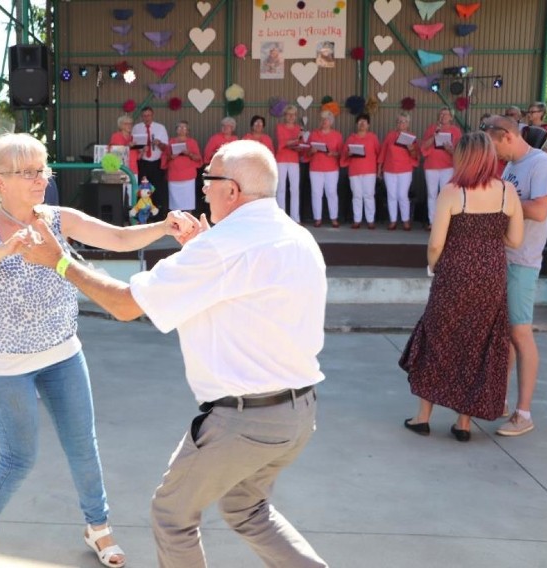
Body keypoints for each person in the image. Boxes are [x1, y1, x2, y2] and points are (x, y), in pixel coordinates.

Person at [21, 139, 328, 568]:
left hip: (245, 419)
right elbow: (240, 290)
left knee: (173, 515)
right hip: (298, 413)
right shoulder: (295, 236)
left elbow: (127, 305)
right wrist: (199, 249)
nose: (202, 190)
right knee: (247, 510)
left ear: (233, 191)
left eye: (208, 180)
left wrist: (59, 262)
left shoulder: (220, 249)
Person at [0, 132, 198, 568]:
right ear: (0, 181)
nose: (38, 178)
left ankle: (98, 528)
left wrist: (163, 226)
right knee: (17, 459)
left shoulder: (57, 217)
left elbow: (118, 238)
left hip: (62, 353)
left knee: (84, 446)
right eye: (27, 172)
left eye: (41, 169)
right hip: (2, 365)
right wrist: (8, 246)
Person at [399, 132, 524, 442]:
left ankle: (423, 417)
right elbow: (515, 239)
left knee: (438, 338)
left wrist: (434, 265)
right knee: (477, 343)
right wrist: (491, 243)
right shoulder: (508, 191)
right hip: (492, 275)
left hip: (454, 275)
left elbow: (435, 243)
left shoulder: (453, 191)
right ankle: (463, 423)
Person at [483, 115, 547, 436]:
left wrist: (505, 199)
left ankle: (524, 413)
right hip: (505, 257)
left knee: (521, 334)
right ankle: (501, 400)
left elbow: (539, 210)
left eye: (495, 146)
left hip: (523, 261)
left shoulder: (540, 164)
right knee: (508, 334)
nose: (494, 155)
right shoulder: (511, 167)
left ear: (507, 136)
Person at [421, 107, 462, 229]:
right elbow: (423, 146)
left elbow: (460, 151)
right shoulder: (432, 129)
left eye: (446, 114)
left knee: (446, 194)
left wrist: (451, 150)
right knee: (432, 194)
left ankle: (446, 222)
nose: (443, 116)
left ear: (451, 117)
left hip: (448, 167)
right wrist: (434, 136)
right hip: (431, 166)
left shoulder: (456, 131)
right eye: (441, 114)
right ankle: (432, 221)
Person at [378, 111, 420, 230]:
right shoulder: (390, 135)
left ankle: (405, 220)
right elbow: (383, 152)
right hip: (389, 170)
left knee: (402, 195)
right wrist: (379, 169)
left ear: (408, 124)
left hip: (405, 170)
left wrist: (411, 149)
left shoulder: (412, 137)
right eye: (399, 121)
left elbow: (415, 155)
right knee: (391, 196)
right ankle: (393, 220)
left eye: (403, 121)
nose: (401, 123)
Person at [342, 113, 381, 229]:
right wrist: (348, 154)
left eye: (364, 122)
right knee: (357, 195)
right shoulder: (351, 138)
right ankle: (357, 220)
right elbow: (344, 155)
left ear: (368, 125)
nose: (362, 124)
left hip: (369, 171)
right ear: (356, 124)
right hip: (354, 171)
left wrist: (379, 169)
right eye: (360, 122)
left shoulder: (373, 137)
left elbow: (379, 154)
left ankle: (370, 220)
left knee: (369, 195)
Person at [132, 106, 169, 218]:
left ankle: (159, 215)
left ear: (152, 115)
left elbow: (166, 148)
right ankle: (143, 214)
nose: (146, 118)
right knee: (143, 189)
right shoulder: (136, 128)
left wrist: (159, 143)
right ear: (141, 117)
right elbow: (133, 146)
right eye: (144, 116)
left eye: (148, 115)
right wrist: (140, 149)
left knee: (157, 189)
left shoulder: (160, 128)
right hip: (142, 162)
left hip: (156, 162)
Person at [308, 110, 343, 227]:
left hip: (331, 168)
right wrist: (311, 151)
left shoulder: (337, 135)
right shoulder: (313, 134)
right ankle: (317, 218)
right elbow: (306, 151)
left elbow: (342, 153)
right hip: (315, 168)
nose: (324, 121)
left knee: (332, 193)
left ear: (331, 122)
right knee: (316, 193)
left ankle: (334, 218)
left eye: (326, 119)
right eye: (322, 119)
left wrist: (333, 153)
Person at [163, 120, 202, 212]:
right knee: (175, 204)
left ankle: (189, 222)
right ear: (176, 130)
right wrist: (171, 157)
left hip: (188, 177)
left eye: (184, 127)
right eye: (179, 127)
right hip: (174, 176)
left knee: (188, 202)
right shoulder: (171, 142)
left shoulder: (192, 142)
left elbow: (198, 158)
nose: (181, 129)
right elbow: (165, 157)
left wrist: (189, 154)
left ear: (188, 131)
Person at [275, 104, 305, 222]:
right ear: (285, 116)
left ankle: (295, 218)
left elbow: (299, 145)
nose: (291, 117)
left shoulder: (299, 128)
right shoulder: (279, 127)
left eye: (293, 114)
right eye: (289, 114)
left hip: (294, 160)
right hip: (281, 159)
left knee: (294, 189)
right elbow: (283, 143)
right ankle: (281, 217)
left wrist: (299, 145)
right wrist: (295, 141)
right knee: (281, 188)